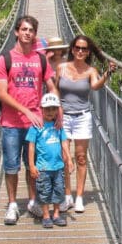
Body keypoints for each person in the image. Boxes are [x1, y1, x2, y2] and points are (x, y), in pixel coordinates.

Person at [0, 16, 57, 225]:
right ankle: (12, 205)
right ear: (16, 32)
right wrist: (26, 111)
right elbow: (2, 94)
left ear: (35, 34)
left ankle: (32, 201)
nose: (28, 33)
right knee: (11, 167)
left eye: (31, 30)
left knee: (33, 166)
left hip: (35, 123)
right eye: (24, 29)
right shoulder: (5, 59)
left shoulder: (41, 59)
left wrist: (58, 107)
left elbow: (51, 85)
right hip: (12, 123)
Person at [56, 34, 116, 212]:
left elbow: (95, 86)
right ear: (72, 49)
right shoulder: (61, 68)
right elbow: (55, 90)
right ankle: (67, 196)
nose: (80, 51)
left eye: (84, 49)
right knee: (65, 157)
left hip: (82, 117)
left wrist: (107, 74)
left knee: (81, 157)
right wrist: (56, 112)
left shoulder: (91, 70)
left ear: (88, 52)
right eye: (77, 48)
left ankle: (79, 197)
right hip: (63, 116)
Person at [26, 93, 74, 228]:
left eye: (53, 109)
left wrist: (69, 159)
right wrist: (31, 165)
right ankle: (46, 215)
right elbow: (31, 146)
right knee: (45, 192)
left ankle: (57, 214)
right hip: (43, 167)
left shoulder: (58, 126)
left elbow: (64, 143)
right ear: (41, 109)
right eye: (47, 109)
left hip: (58, 166)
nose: (50, 112)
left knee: (59, 191)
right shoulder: (36, 126)